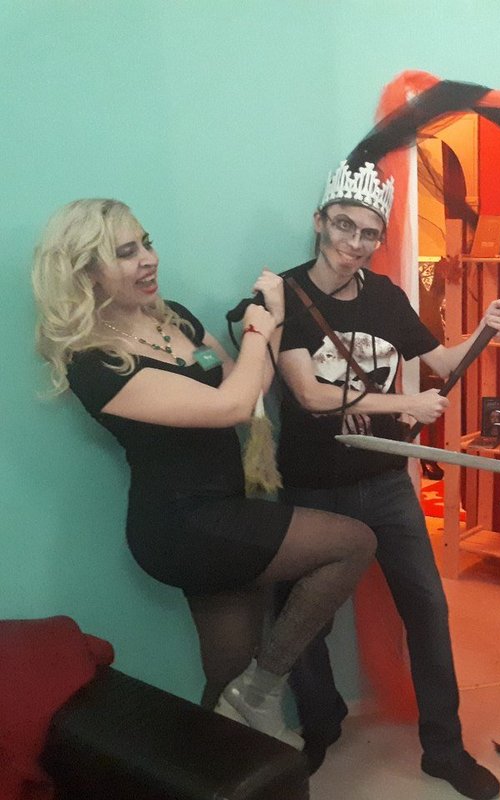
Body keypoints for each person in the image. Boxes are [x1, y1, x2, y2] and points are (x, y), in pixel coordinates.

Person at [31, 198, 378, 750]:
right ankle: (264, 688)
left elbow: (246, 387)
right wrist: (258, 332)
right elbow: (229, 408)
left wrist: (271, 323)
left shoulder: (175, 319)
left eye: (146, 243)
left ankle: (224, 758)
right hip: (180, 526)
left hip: (226, 511)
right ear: (87, 272)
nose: (149, 259)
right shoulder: (92, 361)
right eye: (126, 252)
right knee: (353, 543)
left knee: (226, 670)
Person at [272, 160, 500, 798]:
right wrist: (404, 403)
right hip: (312, 487)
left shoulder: (385, 296)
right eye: (343, 226)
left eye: (369, 233)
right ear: (319, 222)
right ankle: (320, 723)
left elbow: (442, 360)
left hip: (386, 483)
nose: (354, 243)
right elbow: (308, 394)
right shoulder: (283, 297)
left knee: (429, 609)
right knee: (304, 617)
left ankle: (444, 749)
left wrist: (485, 330)